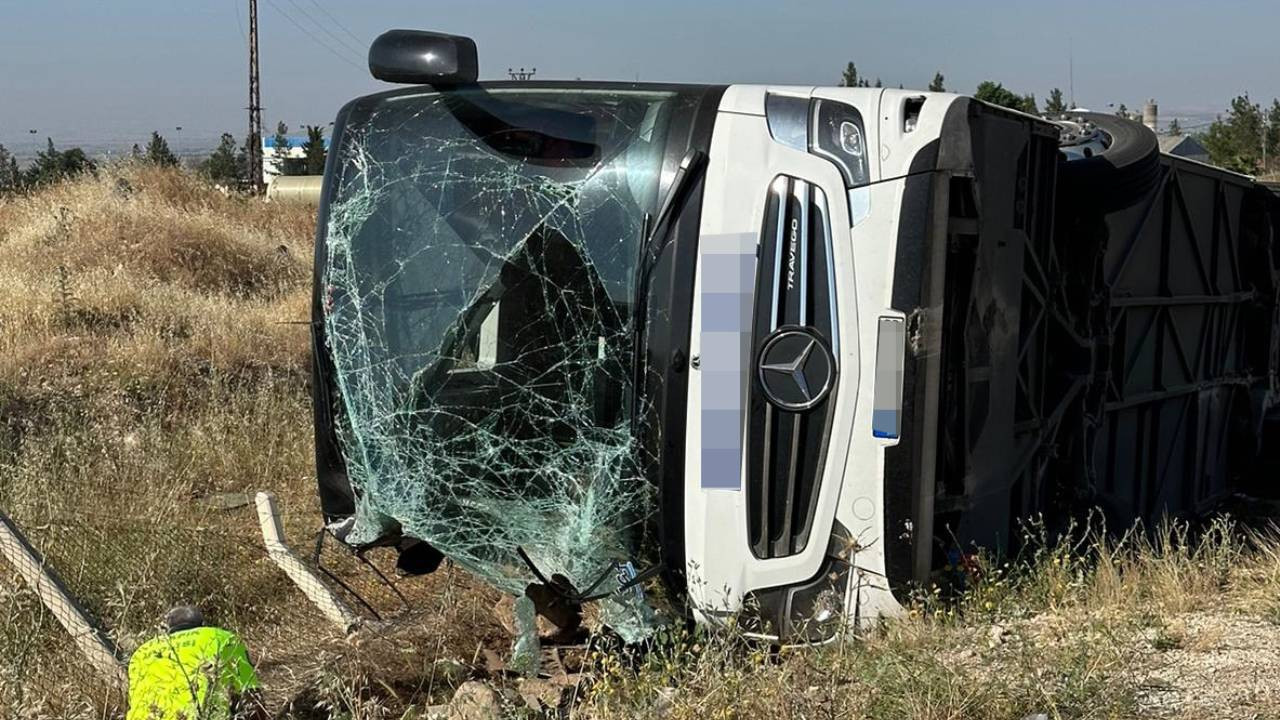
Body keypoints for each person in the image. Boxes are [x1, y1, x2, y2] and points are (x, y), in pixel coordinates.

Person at [126, 605, 265, 720]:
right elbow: (252, 698)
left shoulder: (141, 652)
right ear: (202, 625)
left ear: (167, 629)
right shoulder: (221, 638)